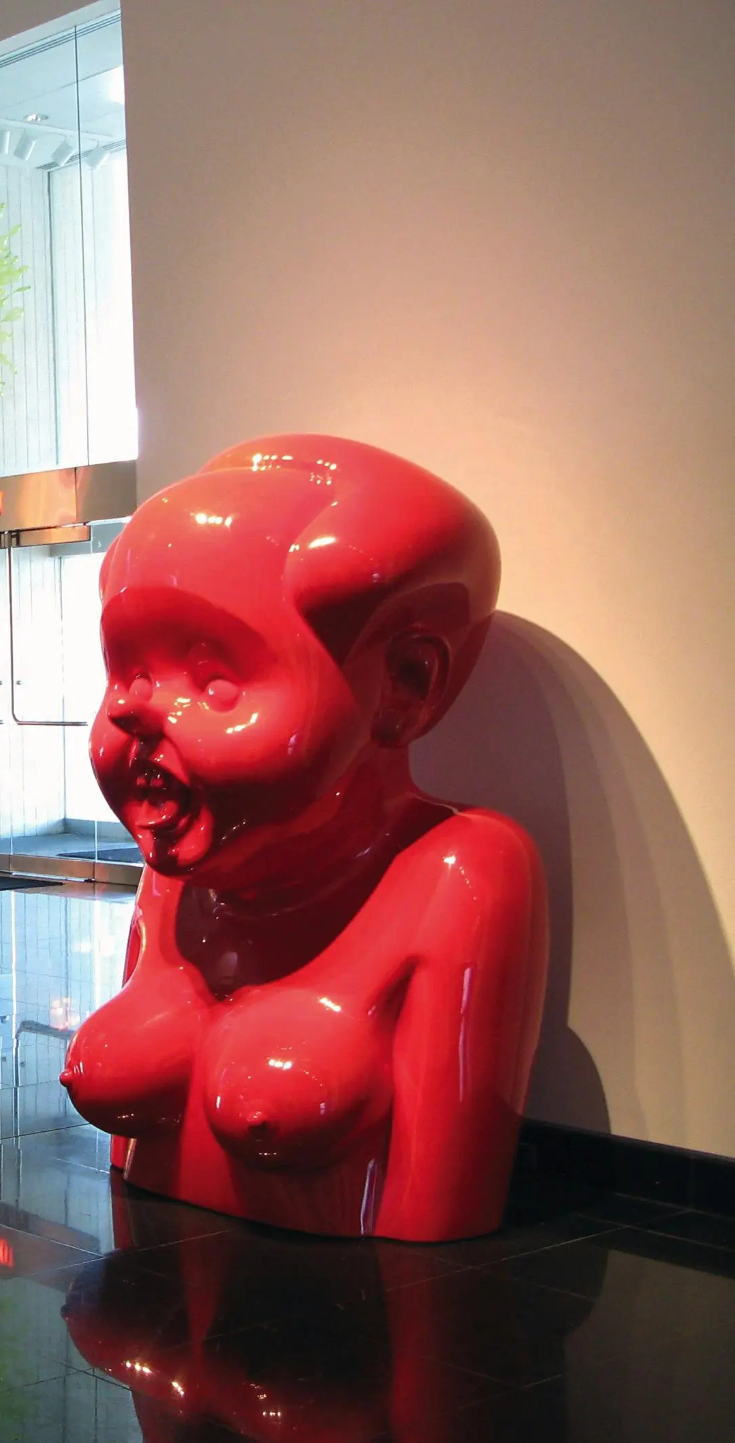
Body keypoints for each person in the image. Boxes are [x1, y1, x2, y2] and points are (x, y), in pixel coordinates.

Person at [58, 434, 547, 1242]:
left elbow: (437, 1212)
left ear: (405, 686)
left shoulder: (461, 871)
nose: (133, 712)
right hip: (149, 1285)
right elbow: (127, 1156)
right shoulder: (182, 862)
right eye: (131, 674)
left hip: (332, 1311)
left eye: (216, 682)